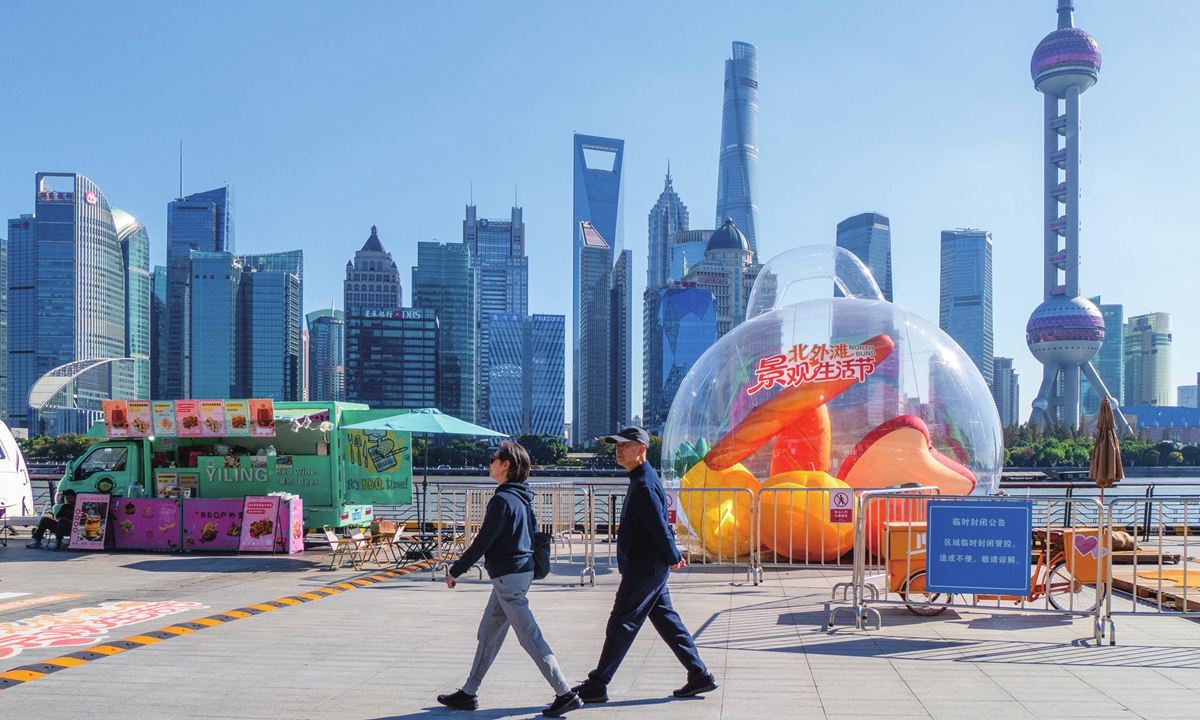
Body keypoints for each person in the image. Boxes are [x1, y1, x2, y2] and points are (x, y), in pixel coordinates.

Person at [437, 441, 582, 718]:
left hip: (509, 577)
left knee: (530, 636)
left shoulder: (502, 500)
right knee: (489, 632)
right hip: (519, 572)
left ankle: (565, 694)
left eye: (493, 458)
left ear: (506, 465)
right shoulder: (522, 497)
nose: (489, 462)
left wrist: (456, 570)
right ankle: (469, 692)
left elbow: (483, 540)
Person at [572, 426, 717, 703]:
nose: (619, 449)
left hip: (645, 567)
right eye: (617, 445)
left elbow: (659, 527)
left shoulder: (644, 484)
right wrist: (669, 557)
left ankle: (598, 683)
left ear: (641, 449)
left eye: (625, 445)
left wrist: (672, 557)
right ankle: (699, 674)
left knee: (621, 621)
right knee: (666, 620)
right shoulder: (642, 479)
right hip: (649, 566)